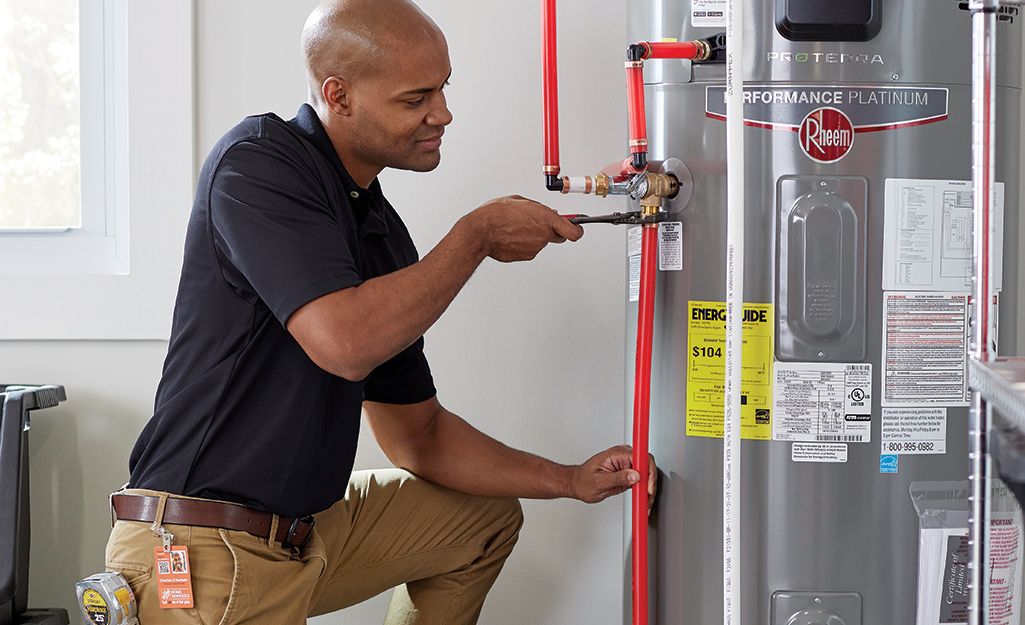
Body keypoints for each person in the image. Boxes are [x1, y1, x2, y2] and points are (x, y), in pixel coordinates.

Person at [104, 0, 657, 623]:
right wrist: (473, 237)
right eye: (416, 97)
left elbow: (418, 436)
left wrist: (570, 480)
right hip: (199, 545)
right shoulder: (258, 166)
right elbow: (343, 342)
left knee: (479, 520)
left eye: (443, 89)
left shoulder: (378, 231)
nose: (442, 113)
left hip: (301, 537)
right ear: (337, 95)